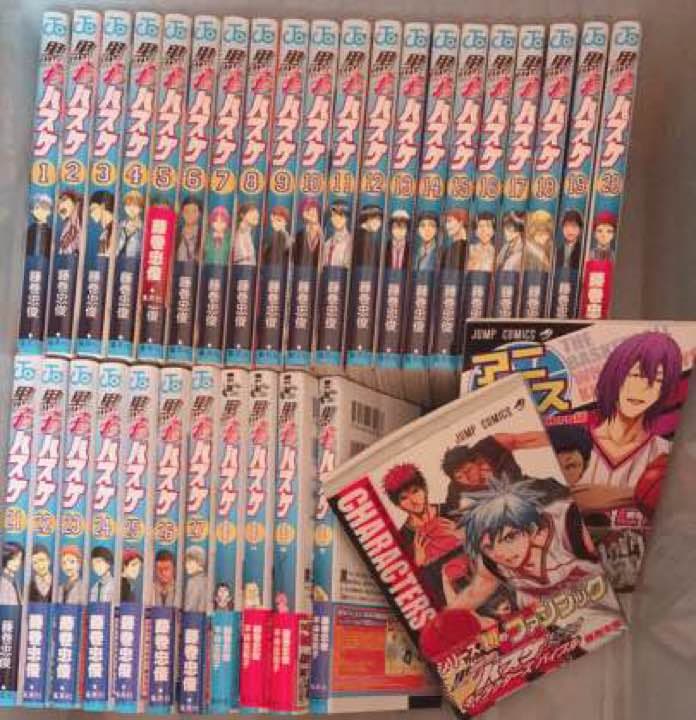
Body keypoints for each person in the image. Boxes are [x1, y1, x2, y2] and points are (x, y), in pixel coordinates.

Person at [573, 331, 682, 520]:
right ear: (614, 375)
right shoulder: (571, 446)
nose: (640, 389)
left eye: (656, 380)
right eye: (634, 375)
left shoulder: (669, 454)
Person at [448, 479, 599, 614]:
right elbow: (474, 593)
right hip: (554, 627)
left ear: (531, 528)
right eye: (488, 547)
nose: (501, 553)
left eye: (509, 538)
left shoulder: (565, 526)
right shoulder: (492, 561)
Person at [383, 463, 468, 608]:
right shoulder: (403, 538)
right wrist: (418, 564)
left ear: (425, 489)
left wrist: (464, 535)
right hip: (447, 601)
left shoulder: (451, 510)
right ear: (398, 505)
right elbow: (411, 591)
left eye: (415, 491)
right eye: (404, 498)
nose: (413, 500)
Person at [440, 432, 565, 511]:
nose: (467, 479)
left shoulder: (491, 446)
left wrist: (563, 442)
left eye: (468, 471)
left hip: (544, 493)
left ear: (476, 461)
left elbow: (529, 440)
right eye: (460, 477)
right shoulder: (455, 489)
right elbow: (447, 514)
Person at [293, 198, 323, 268]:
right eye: (308, 210)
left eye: (313, 209)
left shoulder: (325, 235)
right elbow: (295, 259)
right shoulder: (299, 236)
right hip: (301, 272)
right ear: (303, 215)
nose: (311, 213)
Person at [322, 201, 351, 268]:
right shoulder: (327, 243)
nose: (337, 219)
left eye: (341, 216)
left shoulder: (351, 242)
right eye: (334, 216)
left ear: (347, 219)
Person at [117, 191, 144, 258]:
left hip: (136, 259)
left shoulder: (144, 227)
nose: (131, 208)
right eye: (128, 205)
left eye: (135, 205)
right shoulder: (120, 224)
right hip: (118, 258)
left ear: (141, 208)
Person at [176, 197, 203, 262]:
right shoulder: (177, 233)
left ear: (199, 214)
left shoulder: (203, 234)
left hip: (195, 267)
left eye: (194, 211)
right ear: (182, 213)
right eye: (187, 211)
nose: (190, 215)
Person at [88, 190, 115, 255]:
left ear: (102, 206)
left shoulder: (116, 229)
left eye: (93, 209)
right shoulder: (105, 232)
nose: (91, 214)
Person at [57, 190, 82, 254]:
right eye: (58, 204)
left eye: (64, 200)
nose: (60, 205)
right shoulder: (68, 226)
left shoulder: (78, 222)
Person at [183, 546, 207, 613]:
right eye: (186, 562)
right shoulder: (206, 580)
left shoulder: (193, 582)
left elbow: (190, 607)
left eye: (189, 562)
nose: (186, 566)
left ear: (199, 562)